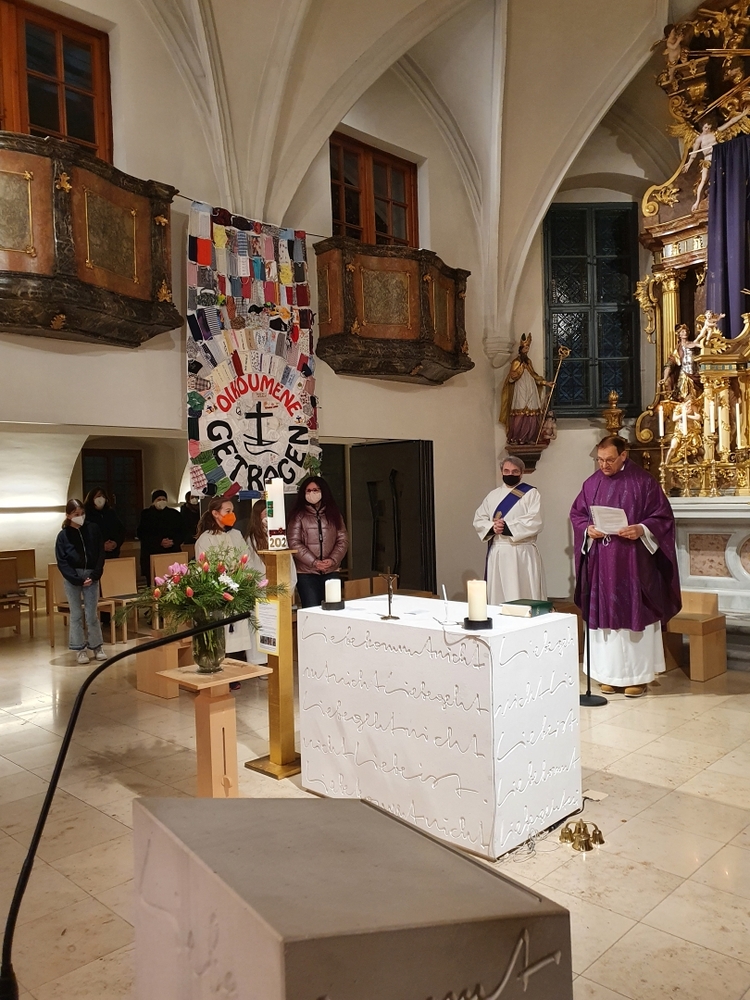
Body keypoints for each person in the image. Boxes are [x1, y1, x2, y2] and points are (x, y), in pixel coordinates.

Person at [570, 436, 681, 698]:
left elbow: (663, 517)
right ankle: (607, 674)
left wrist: (641, 529)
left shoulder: (644, 482)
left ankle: (637, 677)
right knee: (605, 618)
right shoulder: (591, 483)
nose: (604, 465)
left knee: (635, 614)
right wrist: (588, 529)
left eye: (609, 460)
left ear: (623, 455)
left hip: (633, 563)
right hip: (602, 564)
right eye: (600, 460)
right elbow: (577, 515)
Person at [473, 455, 546, 605]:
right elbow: (479, 519)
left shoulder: (531, 494)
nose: (510, 474)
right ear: (501, 472)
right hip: (498, 551)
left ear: (522, 473)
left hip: (522, 552)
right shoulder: (492, 495)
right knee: (499, 595)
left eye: (514, 471)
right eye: (506, 471)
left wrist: (508, 527)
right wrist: (492, 527)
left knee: (523, 592)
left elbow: (535, 520)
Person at [195, 496, 257, 665]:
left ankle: (237, 666)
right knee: (222, 634)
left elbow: (246, 558)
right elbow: (204, 566)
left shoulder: (236, 534)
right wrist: (223, 576)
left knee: (239, 632)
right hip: (218, 592)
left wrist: (241, 571)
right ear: (215, 513)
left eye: (232, 511)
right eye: (227, 511)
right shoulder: (206, 538)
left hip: (237, 588)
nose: (232, 514)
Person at [243, 498, 298, 665]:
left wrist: (288, 585)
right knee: (260, 626)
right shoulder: (251, 540)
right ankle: (259, 662)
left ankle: (275, 661)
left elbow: (288, 562)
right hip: (260, 591)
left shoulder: (278, 537)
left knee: (276, 627)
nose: (269, 517)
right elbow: (250, 567)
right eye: (265, 514)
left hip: (278, 589)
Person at [55, 499, 107, 663]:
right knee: (76, 614)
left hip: (91, 575)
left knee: (91, 614)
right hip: (73, 578)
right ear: (68, 515)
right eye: (76, 514)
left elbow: (100, 552)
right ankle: (79, 649)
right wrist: (76, 579)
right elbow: (62, 561)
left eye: (82, 513)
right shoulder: (63, 536)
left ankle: (97, 646)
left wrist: (95, 574)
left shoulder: (93, 529)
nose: (80, 517)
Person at [287, 476, 348, 608]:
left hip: (331, 570)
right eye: (308, 491)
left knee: (332, 609)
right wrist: (314, 562)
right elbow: (294, 542)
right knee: (311, 609)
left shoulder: (334, 514)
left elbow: (342, 540)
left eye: (315, 490)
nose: (312, 493)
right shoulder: (298, 516)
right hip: (306, 573)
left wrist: (332, 560)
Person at [499, 333, 554, 444]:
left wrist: (546, 383)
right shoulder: (516, 362)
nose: (527, 350)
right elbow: (512, 377)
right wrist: (519, 369)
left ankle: (530, 437)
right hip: (520, 389)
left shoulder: (528, 362)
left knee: (532, 413)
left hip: (531, 389)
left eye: (528, 348)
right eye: (525, 348)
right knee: (520, 412)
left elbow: (534, 375)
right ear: (521, 349)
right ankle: (516, 437)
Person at [137, 490, 185, 582]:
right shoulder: (146, 514)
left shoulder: (174, 514)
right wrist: (159, 541)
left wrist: (173, 541)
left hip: (172, 551)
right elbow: (142, 533)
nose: (162, 501)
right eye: (159, 499)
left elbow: (182, 531)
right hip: (153, 553)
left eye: (164, 499)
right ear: (153, 501)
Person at [83, 489, 125, 560]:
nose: (101, 498)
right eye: (98, 496)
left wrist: (115, 543)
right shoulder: (86, 515)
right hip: (94, 557)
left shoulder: (111, 513)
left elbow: (121, 530)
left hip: (112, 555)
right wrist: (101, 546)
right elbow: (85, 536)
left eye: (103, 496)